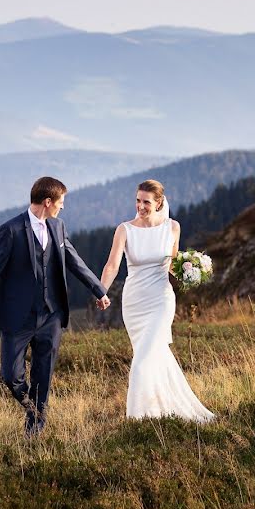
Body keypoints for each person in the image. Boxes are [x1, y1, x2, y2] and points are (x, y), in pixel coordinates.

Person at [0, 176, 111, 436]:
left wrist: (99, 290)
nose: (62, 207)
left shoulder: (58, 227)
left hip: (51, 315)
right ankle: (34, 410)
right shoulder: (11, 230)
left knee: (43, 374)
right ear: (48, 202)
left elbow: (74, 262)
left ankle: (35, 431)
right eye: (60, 202)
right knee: (11, 375)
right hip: (18, 317)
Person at [100, 179, 215, 422]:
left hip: (161, 300)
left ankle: (138, 419)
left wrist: (190, 270)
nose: (141, 206)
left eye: (146, 202)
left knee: (143, 360)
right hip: (134, 302)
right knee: (153, 355)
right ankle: (162, 410)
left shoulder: (173, 227)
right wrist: (101, 291)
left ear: (159, 202)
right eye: (138, 201)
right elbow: (112, 265)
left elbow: (172, 263)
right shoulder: (125, 229)